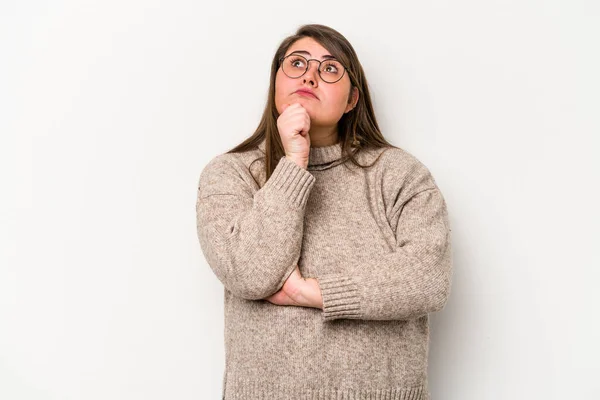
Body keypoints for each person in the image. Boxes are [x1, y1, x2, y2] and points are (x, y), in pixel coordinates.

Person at [196, 23, 453, 400]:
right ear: (276, 83)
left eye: (330, 68)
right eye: (297, 63)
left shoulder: (399, 174)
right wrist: (294, 162)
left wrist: (313, 293)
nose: (311, 76)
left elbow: (429, 279)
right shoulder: (230, 174)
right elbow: (250, 272)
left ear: (352, 100)